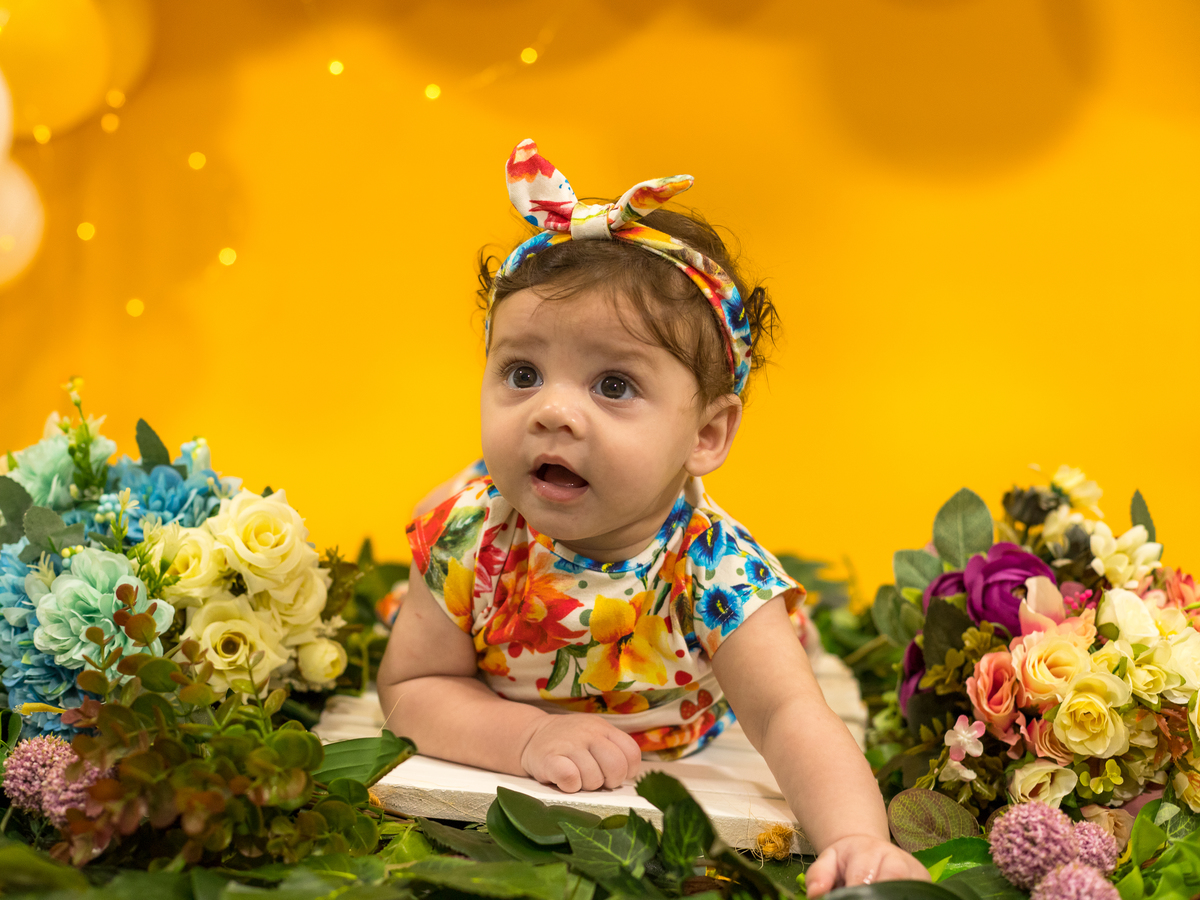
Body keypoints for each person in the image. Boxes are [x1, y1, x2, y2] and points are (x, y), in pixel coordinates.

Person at [377, 139, 928, 894]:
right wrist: (527, 735)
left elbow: (788, 717)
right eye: (522, 373)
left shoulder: (714, 570)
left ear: (706, 435)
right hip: (518, 729)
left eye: (613, 385)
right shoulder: (469, 535)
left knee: (782, 662)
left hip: (682, 732)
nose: (552, 411)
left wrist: (857, 840)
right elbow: (413, 687)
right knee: (421, 581)